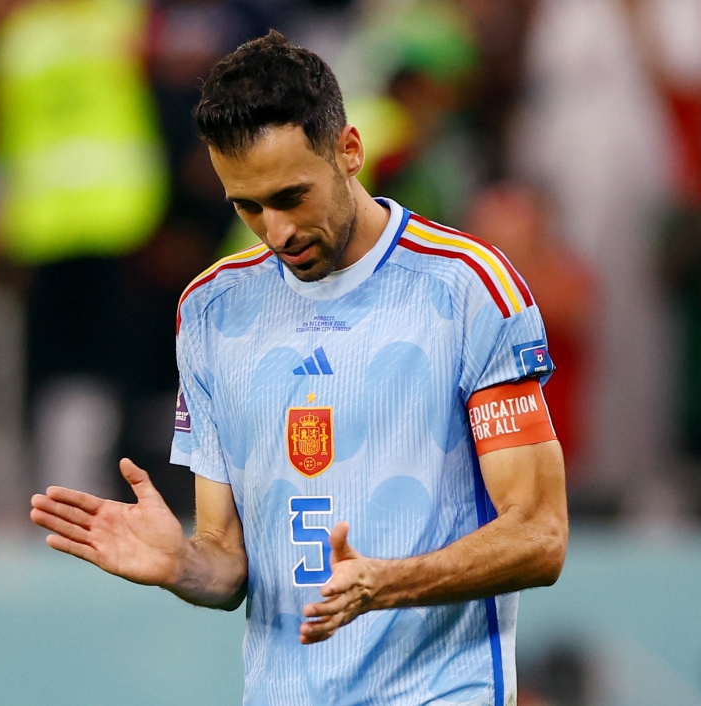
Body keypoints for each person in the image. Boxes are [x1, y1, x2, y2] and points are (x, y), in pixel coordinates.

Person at [30, 31, 567, 706]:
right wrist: (181, 565)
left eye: (291, 196)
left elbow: (540, 536)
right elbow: (227, 566)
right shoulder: (211, 312)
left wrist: (384, 583)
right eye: (247, 207)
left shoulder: (468, 289)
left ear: (349, 151)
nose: (276, 231)